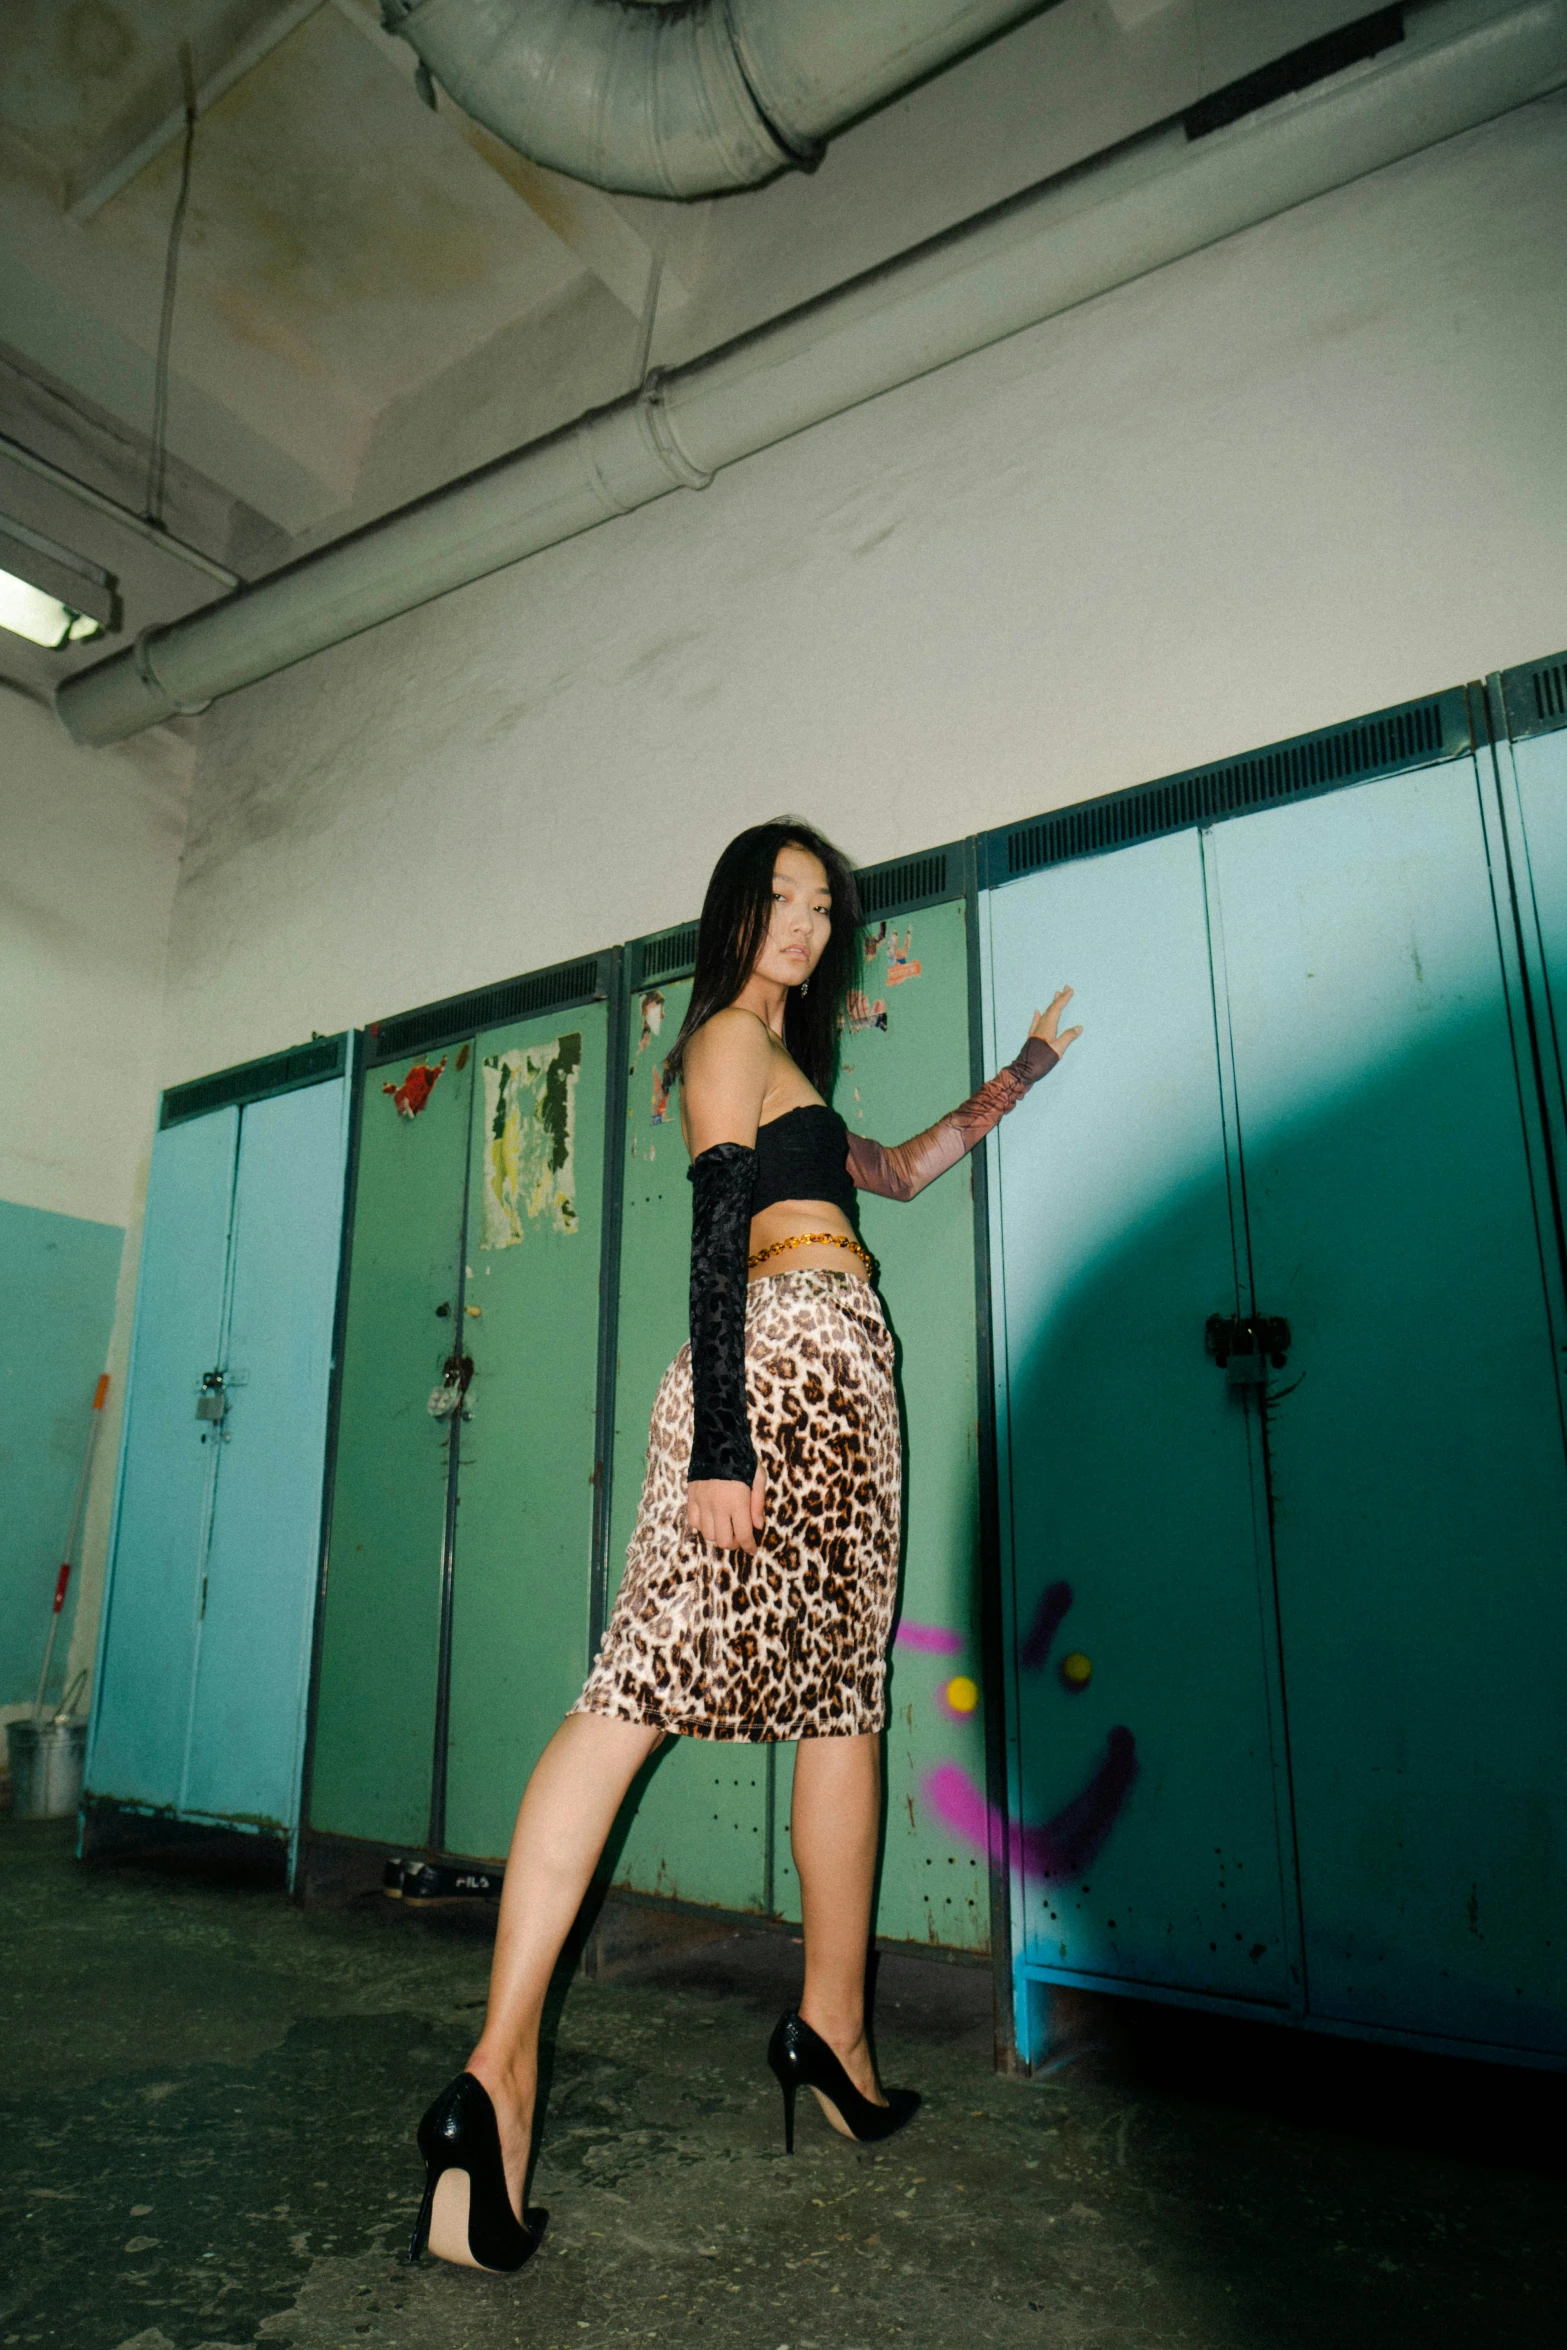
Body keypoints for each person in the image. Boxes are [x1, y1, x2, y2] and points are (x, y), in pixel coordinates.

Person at [408, 819, 1080, 2272]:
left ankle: (832, 2027)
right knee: (637, 1684)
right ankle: (499, 2070)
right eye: (775, 898)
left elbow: (897, 1170)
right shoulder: (721, 1038)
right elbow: (717, 1233)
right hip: (774, 1370)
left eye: (818, 904)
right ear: (733, 913)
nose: (801, 921)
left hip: (841, 1374)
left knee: (841, 1697)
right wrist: (722, 1441)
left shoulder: (794, 1075)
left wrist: (1020, 1074)